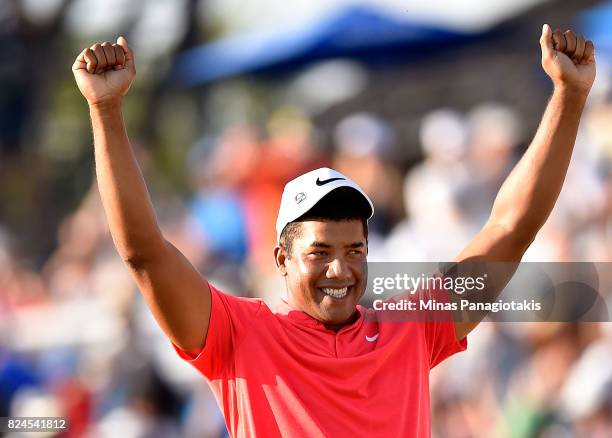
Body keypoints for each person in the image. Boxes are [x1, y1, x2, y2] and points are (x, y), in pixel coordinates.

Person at [72, 24, 596, 437]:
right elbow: (144, 252)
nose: (340, 269)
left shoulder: (412, 328)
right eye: (319, 251)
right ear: (281, 259)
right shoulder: (236, 334)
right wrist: (106, 110)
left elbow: (511, 226)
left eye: (355, 249)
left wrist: (568, 98)